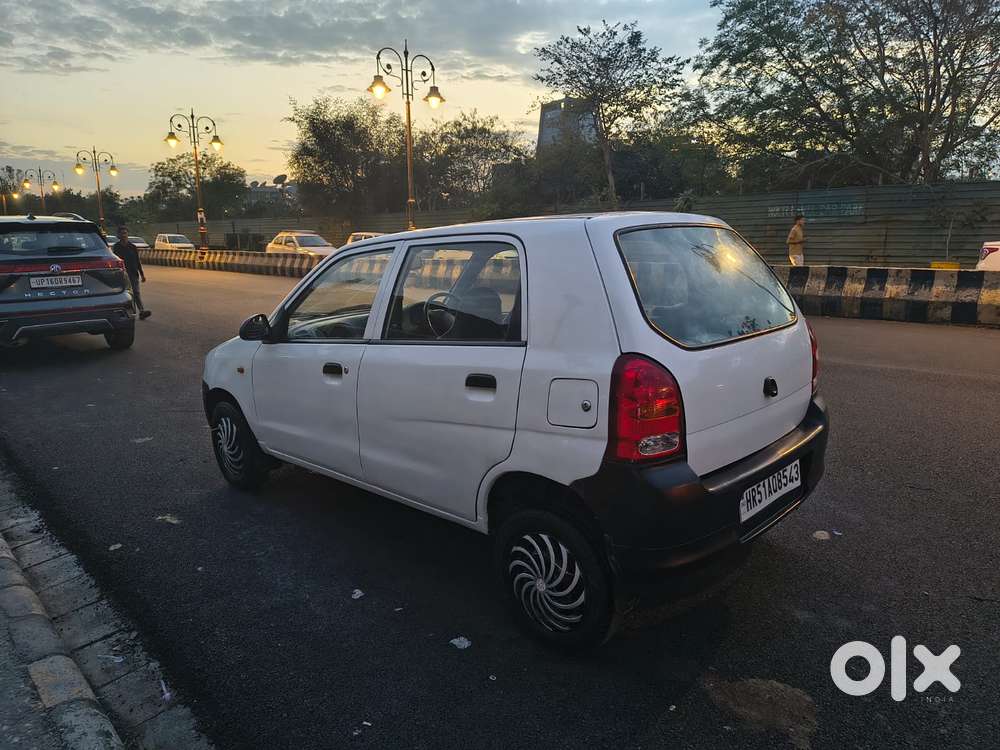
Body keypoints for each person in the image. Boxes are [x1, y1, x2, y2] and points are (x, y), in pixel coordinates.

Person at [112, 226, 151, 319]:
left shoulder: (132, 247)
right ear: (118, 235)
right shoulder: (116, 247)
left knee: (136, 292)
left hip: (133, 273)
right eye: (122, 233)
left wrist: (142, 274)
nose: (124, 235)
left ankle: (141, 311)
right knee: (128, 294)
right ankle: (130, 312)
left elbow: (137, 261)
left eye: (125, 233)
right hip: (122, 274)